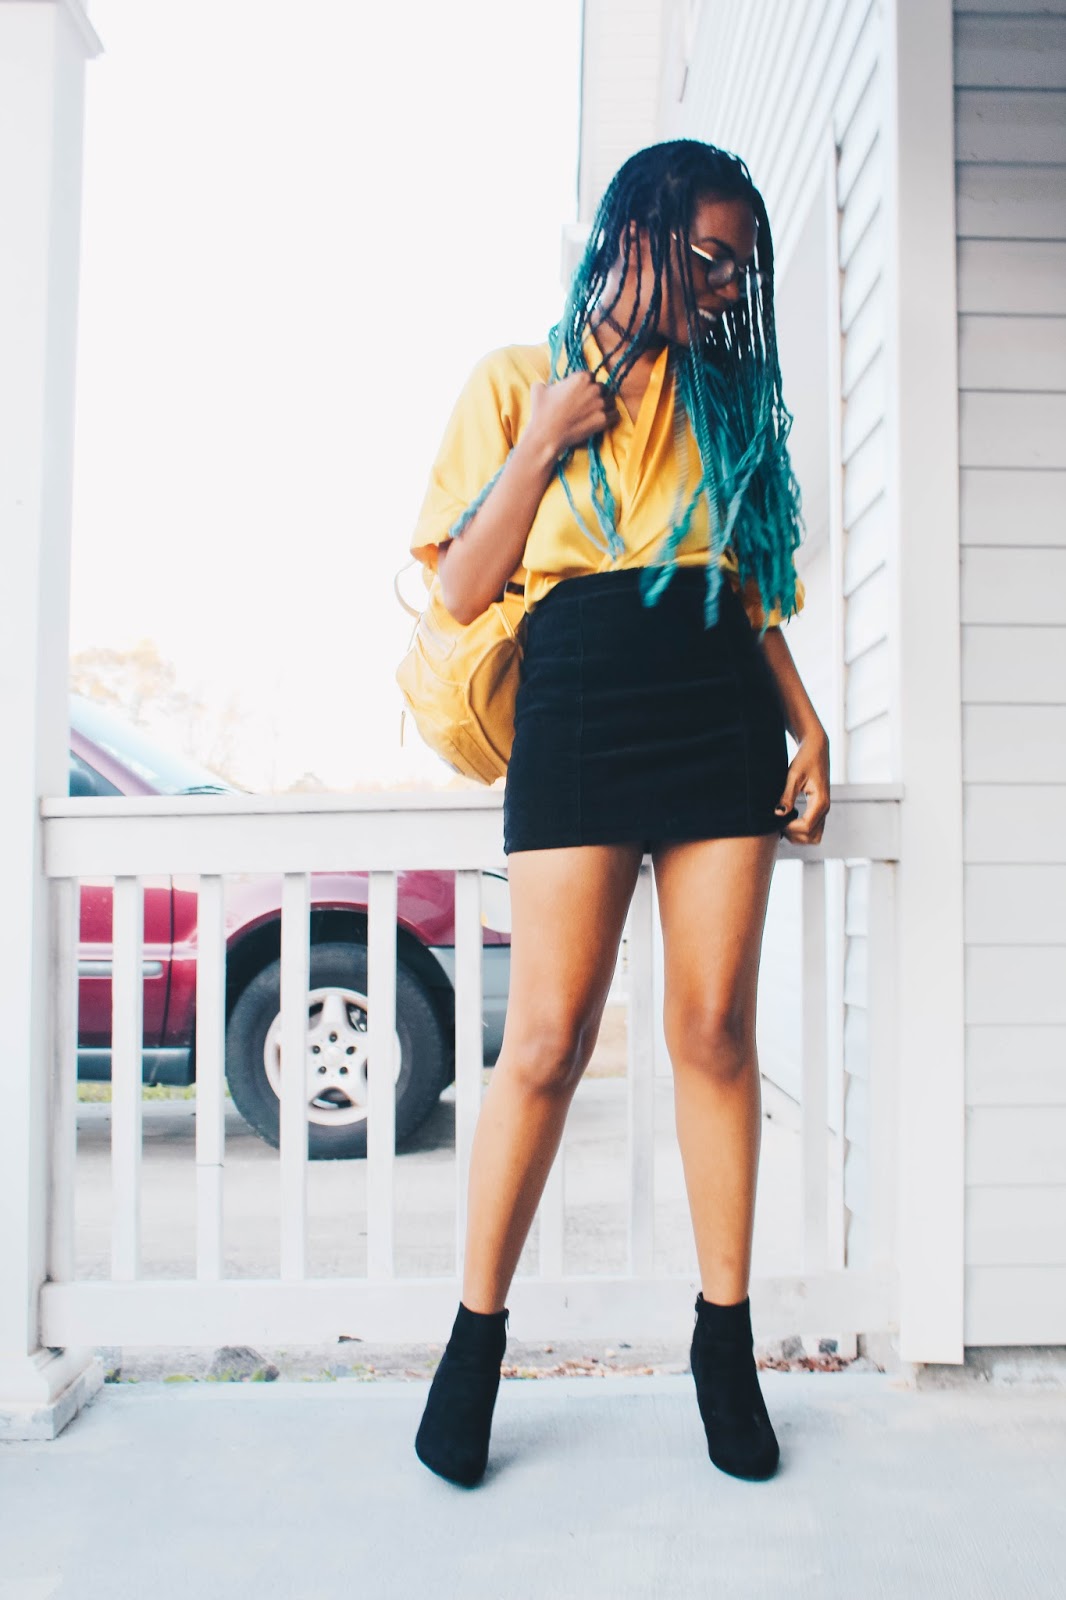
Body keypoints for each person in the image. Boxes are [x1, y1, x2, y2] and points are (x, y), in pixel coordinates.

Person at [408, 138, 830, 1488]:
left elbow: (750, 588)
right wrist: (542, 439)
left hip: (716, 700)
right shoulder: (512, 381)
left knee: (713, 1030)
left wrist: (807, 723)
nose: (725, 288)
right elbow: (461, 588)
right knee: (544, 1039)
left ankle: (724, 1345)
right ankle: (474, 1344)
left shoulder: (726, 400)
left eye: (739, 271)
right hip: (580, 696)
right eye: (708, 257)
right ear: (634, 232)